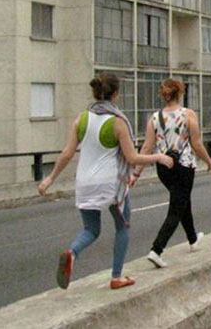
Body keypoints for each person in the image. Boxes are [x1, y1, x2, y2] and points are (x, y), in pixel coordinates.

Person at [37, 73, 174, 290]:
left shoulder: (81, 118)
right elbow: (132, 158)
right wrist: (159, 157)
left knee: (91, 229)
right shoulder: (118, 123)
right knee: (123, 227)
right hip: (112, 184)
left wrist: (50, 179)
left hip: (84, 183)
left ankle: (72, 252)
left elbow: (66, 153)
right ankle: (117, 276)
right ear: (116, 94)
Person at [138, 79, 211, 269]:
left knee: (182, 200)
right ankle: (156, 249)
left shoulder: (154, 118)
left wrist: (137, 172)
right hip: (184, 166)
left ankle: (192, 239)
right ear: (180, 93)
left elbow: (147, 147)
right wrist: (210, 162)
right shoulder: (188, 115)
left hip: (164, 168)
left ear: (164, 94)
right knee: (177, 207)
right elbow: (197, 144)